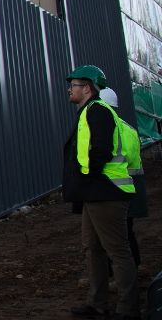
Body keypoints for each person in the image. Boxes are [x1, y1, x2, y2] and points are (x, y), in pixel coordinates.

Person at [63, 66, 138, 320]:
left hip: (106, 190)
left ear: (87, 87)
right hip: (94, 192)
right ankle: (97, 304)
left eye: (73, 85)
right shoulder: (87, 111)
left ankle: (128, 309)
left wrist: (87, 177)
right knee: (92, 247)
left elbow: (101, 150)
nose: (69, 89)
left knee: (117, 250)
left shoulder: (98, 112)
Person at [100, 87, 148, 267]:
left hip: (117, 189)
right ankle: (133, 267)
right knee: (126, 232)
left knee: (116, 237)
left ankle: (123, 273)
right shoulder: (129, 128)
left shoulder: (110, 129)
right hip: (133, 187)